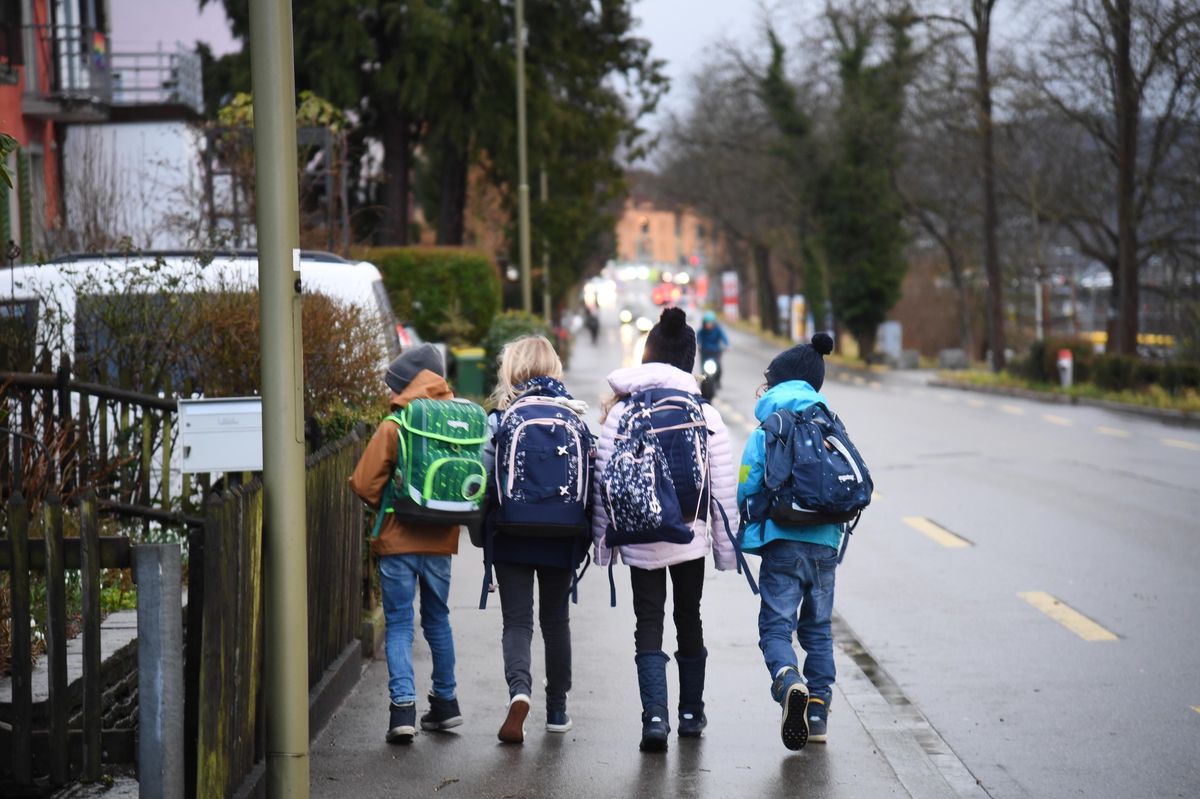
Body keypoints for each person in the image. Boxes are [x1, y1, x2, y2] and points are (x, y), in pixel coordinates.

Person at [592, 307, 739, 752]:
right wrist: (725, 552)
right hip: (688, 537)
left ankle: (654, 718)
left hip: (638, 536)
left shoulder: (621, 413)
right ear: (689, 362)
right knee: (688, 617)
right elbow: (722, 489)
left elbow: (604, 481)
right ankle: (691, 713)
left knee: (647, 622)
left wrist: (604, 547)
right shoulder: (704, 414)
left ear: (648, 356)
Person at [349, 343, 464, 745]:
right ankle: (446, 705)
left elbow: (364, 484)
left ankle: (403, 710)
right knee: (438, 620)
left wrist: (387, 500)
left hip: (398, 540)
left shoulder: (395, 424)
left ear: (406, 384)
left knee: (399, 623)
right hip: (441, 540)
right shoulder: (459, 422)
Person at [482, 335, 591, 744]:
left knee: (517, 621)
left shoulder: (502, 418)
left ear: (511, 370)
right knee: (556, 621)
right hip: (562, 532)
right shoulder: (574, 416)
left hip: (512, 530)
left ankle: (520, 691)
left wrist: (483, 534)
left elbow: (486, 480)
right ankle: (558, 709)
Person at [737, 332, 841, 751]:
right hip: (826, 543)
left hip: (782, 540)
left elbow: (747, 483)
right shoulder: (829, 421)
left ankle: (787, 680)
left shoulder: (769, 426)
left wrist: (749, 521)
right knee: (818, 630)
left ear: (778, 384)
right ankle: (817, 713)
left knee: (776, 626)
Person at [696, 311, 730, 385]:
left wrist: (727, 345)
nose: (708, 325)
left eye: (710, 323)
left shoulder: (718, 330)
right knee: (703, 369)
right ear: (704, 323)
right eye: (707, 323)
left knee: (718, 368)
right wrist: (697, 345)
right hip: (705, 353)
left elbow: (724, 337)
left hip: (715, 352)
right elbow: (697, 339)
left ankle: (717, 380)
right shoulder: (701, 331)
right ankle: (704, 383)